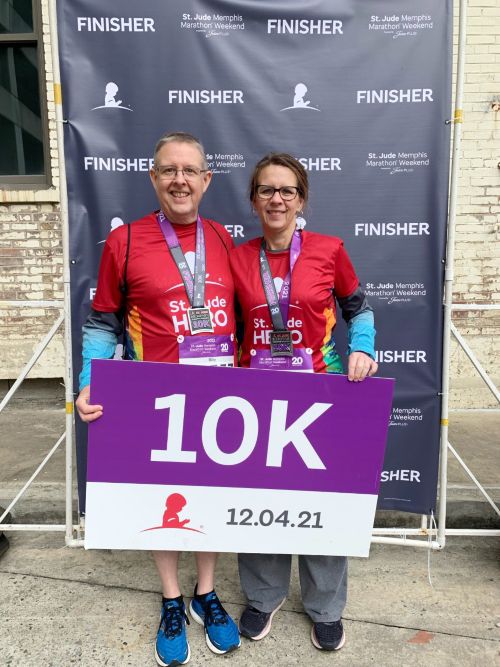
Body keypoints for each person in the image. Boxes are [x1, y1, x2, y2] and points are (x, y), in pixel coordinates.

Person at [76, 132, 241, 666]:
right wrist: (89, 380)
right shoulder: (124, 243)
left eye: (190, 170)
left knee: (211, 499)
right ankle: (172, 597)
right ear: (153, 178)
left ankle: (206, 592)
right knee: (162, 505)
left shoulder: (220, 237)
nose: (179, 180)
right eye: (169, 170)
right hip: (154, 399)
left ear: (206, 179)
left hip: (217, 396)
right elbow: (103, 322)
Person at [229, 153, 378, 652]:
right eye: (267, 190)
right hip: (257, 398)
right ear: (254, 200)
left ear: (301, 199)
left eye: (286, 190)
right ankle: (263, 595)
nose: (277, 198)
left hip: (322, 394)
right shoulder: (236, 257)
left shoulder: (330, 250)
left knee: (322, 504)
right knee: (260, 502)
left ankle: (325, 607)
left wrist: (363, 347)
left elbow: (359, 310)